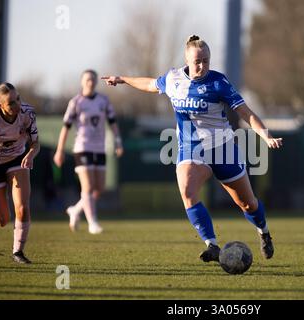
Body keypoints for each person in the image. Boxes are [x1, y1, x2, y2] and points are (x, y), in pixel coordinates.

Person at [102, 35, 282, 262]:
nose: (202, 66)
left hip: (222, 147)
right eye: (197, 61)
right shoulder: (173, 78)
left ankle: (264, 232)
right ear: (187, 60)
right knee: (187, 192)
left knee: (247, 203)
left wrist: (265, 136)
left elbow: (245, 113)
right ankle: (212, 245)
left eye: (206, 60)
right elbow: (150, 84)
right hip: (191, 148)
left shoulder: (218, 82)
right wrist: (123, 79)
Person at [54, 70, 123, 234]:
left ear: (95, 82)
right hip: (82, 147)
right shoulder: (76, 102)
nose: (90, 82)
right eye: (87, 79)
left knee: (99, 189)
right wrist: (59, 151)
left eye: (92, 79)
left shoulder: (103, 101)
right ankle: (92, 223)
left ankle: (76, 210)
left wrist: (118, 141)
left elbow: (112, 122)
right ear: (82, 82)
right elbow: (66, 128)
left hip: (99, 148)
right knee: (88, 186)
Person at [0, 82, 40, 264]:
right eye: (11, 103)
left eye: (18, 99)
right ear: (0, 105)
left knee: (22, 207)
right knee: (2, 220)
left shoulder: (27, 113)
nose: (17, 104)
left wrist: (31, 154)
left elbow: (35, 143)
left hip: (17, 159)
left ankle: (18, 251)